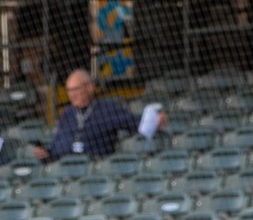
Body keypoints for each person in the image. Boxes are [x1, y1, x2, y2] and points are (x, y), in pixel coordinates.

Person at [31, 69, 166, 162]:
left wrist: (155, 120)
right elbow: (58, 146)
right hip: (67, 168)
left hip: (96, 165)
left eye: (76, 89)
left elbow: (135, 123)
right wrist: (46, 153)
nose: (72, 95)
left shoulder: (106, 108)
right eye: (69, 91)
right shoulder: (67, 114)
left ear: (90, 87)